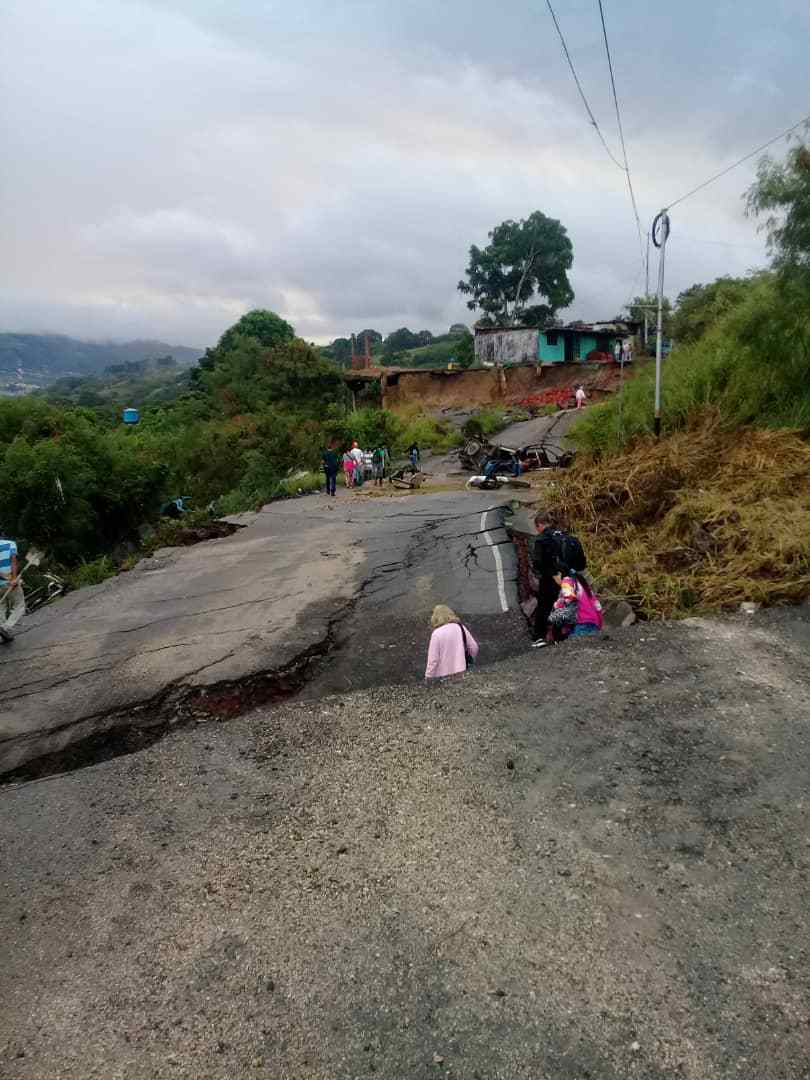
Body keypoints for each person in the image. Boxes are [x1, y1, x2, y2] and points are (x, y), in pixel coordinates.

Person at [531, 511, 587, 648]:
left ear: (539, 525)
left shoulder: (541, 539)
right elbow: (582, 564)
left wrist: (552, 574)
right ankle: (561, 637)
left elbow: (537, 563)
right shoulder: (569, 538)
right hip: (570, 580)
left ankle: (540, 637)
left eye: (536, 528)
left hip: (550, 580)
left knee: (545, 606)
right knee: (567, 606)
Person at [425, 604, 479, 680]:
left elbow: (433, 660)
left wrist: (428, 676)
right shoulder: (460, 627)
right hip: (461, 673)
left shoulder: (436, 634)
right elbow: (474, 647)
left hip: (442, 677)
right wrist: (469, 660)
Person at [548, 571, 604, 640]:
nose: (554, 580)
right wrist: (599, 626)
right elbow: (598, 607)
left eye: (554, 578)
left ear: (559, 573)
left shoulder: (566, 581)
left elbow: (569, 598)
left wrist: (556, 606)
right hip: (594, 624)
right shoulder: (582, 583)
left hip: (581, 624)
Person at [0, 533, 25, 643]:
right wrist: (13, 578)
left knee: (1, 608)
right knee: (19, 606)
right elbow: (13, 560)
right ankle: (5, 628)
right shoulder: (10, 544)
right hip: (10, 582)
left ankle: (3, 634)